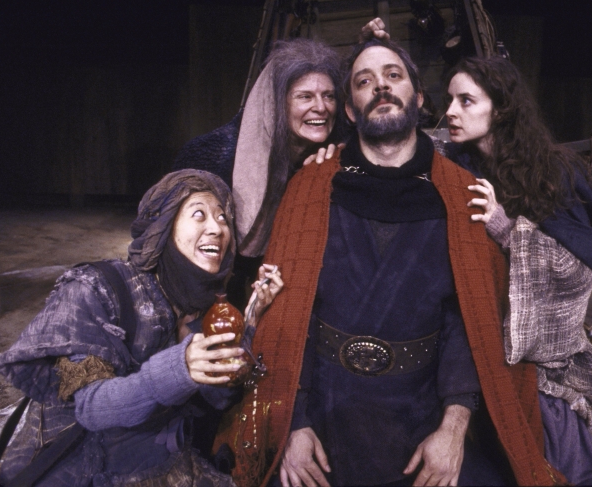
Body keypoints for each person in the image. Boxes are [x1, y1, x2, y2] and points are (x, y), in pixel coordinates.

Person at [214, 38, 567, 487]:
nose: (380, 86)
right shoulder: (312, 187)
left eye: (393, 76)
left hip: (423, 415)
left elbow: (471, 321)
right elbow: (288, 320)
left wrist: (453, 430)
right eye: (364, 81)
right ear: (350, 109)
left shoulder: (462, 193)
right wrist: (295, 426)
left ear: (418, 98)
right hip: (324, 413)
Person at [0, 169, 283, 486]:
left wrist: (251, 317)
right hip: (83, 472)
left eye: (223, 218)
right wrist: (178, 368)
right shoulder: (97, 289)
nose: (217, 227)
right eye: (199, 214)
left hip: (165, 470)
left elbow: (217, 399)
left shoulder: (205, 308)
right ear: (164, 226)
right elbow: (91, 407)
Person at [442, 56, 592, 485]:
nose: (450, 112)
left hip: (534, 356)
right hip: (476, 329)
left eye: (466, 100)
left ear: (500, 110)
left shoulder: (555, 171)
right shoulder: (456, 167)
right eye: (450, 99)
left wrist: (506, 230)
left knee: (548, 459)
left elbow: (577, 269)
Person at [173, 39, 344, 306]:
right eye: (305, 96)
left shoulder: (327, 153)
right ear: (277, 103)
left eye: (329, 96)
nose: (321, 107)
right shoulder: (213, 154)